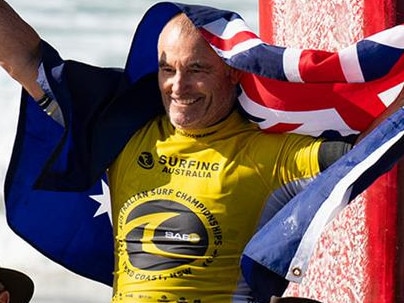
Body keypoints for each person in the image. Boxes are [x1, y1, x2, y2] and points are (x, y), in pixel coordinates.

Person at [1, 1, 403, 303]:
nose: (178, 86)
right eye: (167, 69)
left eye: (196, 70)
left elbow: (364, 152)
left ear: (231, 71)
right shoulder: (122, 133)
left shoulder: (269, 154)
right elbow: (28, 59)